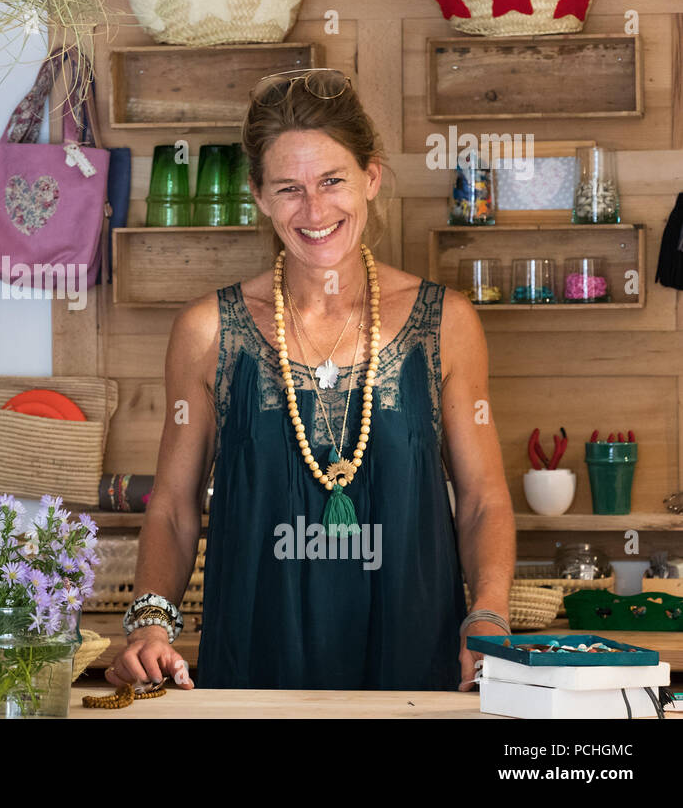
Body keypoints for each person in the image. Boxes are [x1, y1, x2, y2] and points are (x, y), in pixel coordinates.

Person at [107, 69, 515, 693]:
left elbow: (483, 498)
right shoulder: (207, 331)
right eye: (289, 189)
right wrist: (151, 621)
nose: (316, 210)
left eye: (332, 181)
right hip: (252, 666)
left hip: (414, 666)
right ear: (260, 196)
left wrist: (486, 614)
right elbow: (173, 506)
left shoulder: (447, 322)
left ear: (371, 178)